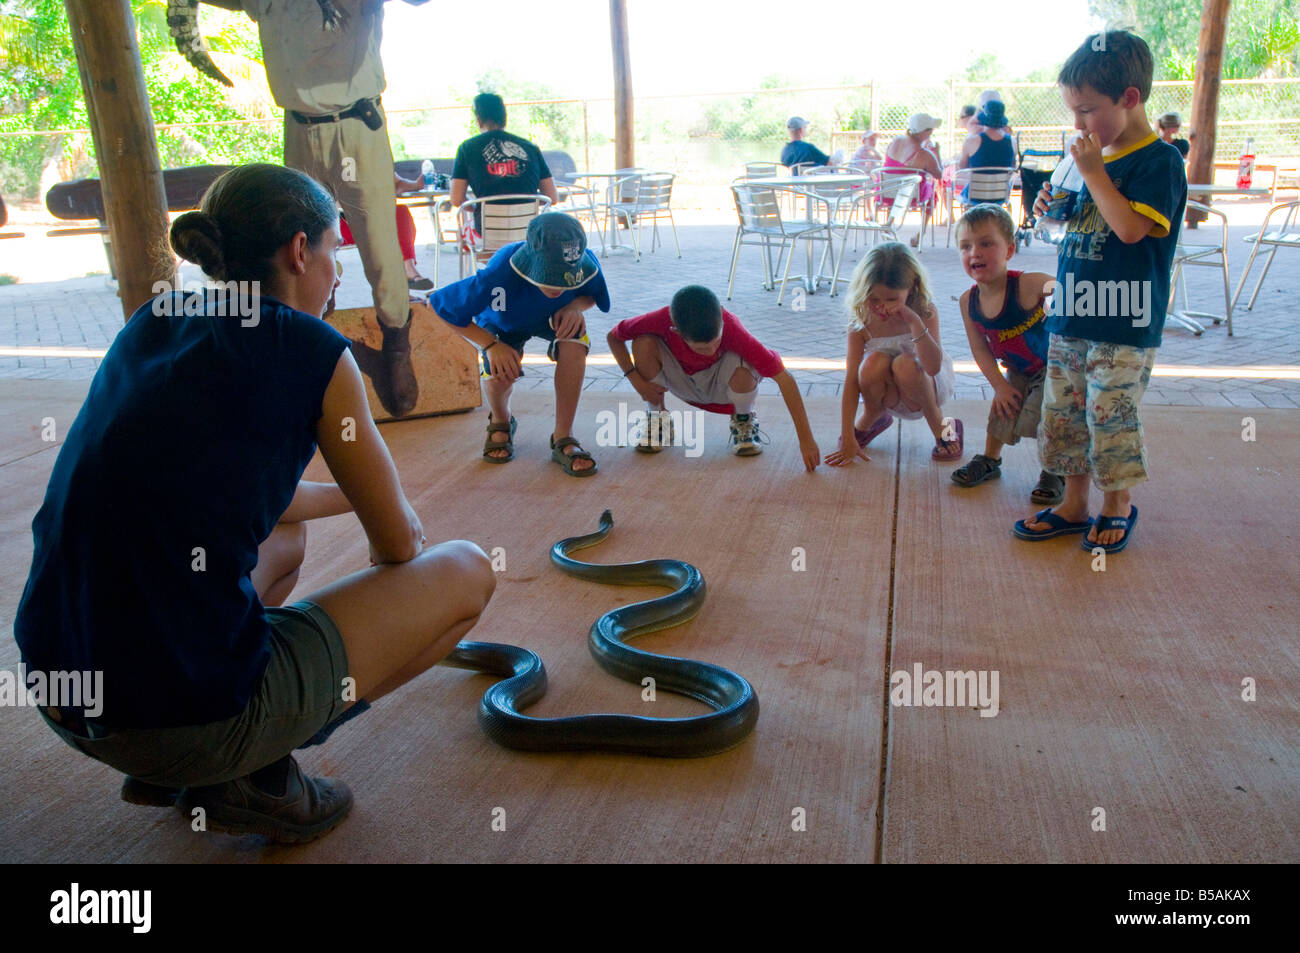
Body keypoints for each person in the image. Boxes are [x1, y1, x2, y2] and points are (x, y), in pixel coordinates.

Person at [13, 164, 495, 844]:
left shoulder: (155, 318)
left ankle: (192, 755)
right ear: (300, 251)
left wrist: (353, 500)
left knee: (286, 536)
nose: (337, 271)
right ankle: (253, 767)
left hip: (63, 695)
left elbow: (213, 490)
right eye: (334, 250)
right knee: (467, 571)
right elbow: (400, 549)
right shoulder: (316, 350)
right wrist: (387, 511)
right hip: (175, 722)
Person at [1013, 31, 1187, 554]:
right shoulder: (1086, 158)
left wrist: (1093, 174)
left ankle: (1118, 505)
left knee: (1109, 415)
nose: (1078, 125)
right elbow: (1074, 222)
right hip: (1071, 313)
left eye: (1087, 110)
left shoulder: (1159, 162)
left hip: (1124, 320)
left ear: (1130, 98)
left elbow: (1131, 230)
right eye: (1073, 111)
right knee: (1063, 414)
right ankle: (1072, 502)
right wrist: (1051, 202)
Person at [218, 0, 430, 418]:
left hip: (357, 124)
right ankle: (310, 340)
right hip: (299, 126)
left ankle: (396, 346)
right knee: (296, 242)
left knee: (379, 240)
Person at [427, 212, 609, 476]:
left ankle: (563, 437)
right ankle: (501, 419)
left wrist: (574, 306)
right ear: (531, 262)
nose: (558, 286)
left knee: (575, 342)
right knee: (500, 373)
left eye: (565, 279)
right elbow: (440, 306)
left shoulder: (584, 260)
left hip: (552, 317)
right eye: (550, 277)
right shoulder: (499, 273)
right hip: (502, 323)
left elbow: (592, 296)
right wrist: (489, 345)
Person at [607, 285, 821, 469]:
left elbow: (785, 379)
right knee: (642, 342)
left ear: (721, 318)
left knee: (744, 361)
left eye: (716, 342)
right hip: (682, 381)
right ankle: (657, 417)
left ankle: (743, 421)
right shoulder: (660, 319)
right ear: (676, 331)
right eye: (701, 347)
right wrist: (635, 380)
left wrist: (806, 440)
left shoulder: (732, 328)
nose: (710, 350)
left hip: (723, 387)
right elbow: (613, 337)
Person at [950, 206, 1063, 504]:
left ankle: (1055, 470)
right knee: (1003, 409)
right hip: (1017, 370)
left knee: (1043, 418)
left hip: (1053, 368)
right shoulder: (968, 301)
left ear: (1009, 249)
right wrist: (999, 386)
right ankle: (990, 459)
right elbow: (980, 348)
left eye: (987, 243)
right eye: (966, 246)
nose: (976, 252)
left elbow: (1069, 289)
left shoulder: (1027, 284)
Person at [825, 242, 963, 467]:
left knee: (905, 365)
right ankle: (872, 417)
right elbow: (851, 380)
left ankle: (942, 426)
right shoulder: (861, 322)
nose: (882, 308)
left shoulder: (924, 311)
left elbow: (933, 367)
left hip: (926, 386)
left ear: (911, 290)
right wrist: (847, 435)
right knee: (872, 363)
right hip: (887, 391)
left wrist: (913, 321)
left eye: (891, 299)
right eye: (874, 299)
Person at [451, 92, 560, 226]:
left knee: (463, 231)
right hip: (527, 233)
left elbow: (456, 199)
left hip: (486, 233)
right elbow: (552, 197)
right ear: (504, 118)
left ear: (479, 120)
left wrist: (477, 209)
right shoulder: (530, 147)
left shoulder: (466, 148)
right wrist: (526, 207)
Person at [341, 172, 432, 290]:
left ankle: (407, 270)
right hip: (336, 222)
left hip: (368, 219)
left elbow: (398, 183)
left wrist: (416, 185)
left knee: (400, 211)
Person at [883, 114, 944, 245]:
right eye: (931, 130)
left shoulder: (896, 141)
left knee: (899, 184)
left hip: (886, 193)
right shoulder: (925, 154)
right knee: (932, 192)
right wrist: (937, 152)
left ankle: (889, 223)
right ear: (926, 132)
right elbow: (939, 175)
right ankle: (920, 233)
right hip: (912, 196)